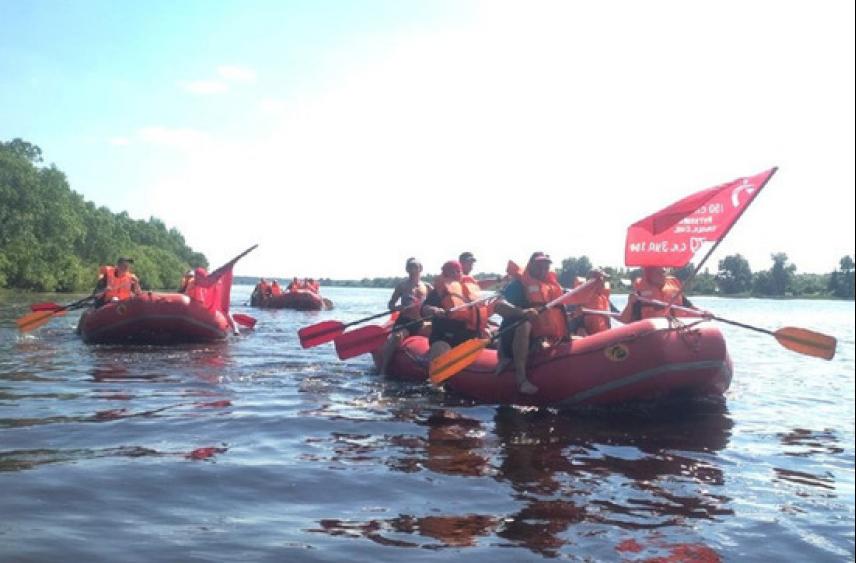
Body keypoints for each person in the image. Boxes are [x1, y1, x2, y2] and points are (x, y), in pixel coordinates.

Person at [493, 252, 568, 395]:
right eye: (539, 264)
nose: (543, 268)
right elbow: (498, 306)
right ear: (531, 265)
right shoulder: (518, 284)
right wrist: (523, 312)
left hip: (540, 339)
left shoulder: (552, 286)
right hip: (512, 337)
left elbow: (576, 300)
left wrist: (595, 282)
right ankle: (521, 379)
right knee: (525, 323)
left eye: (546, 265)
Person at [421, 260, 490, 364]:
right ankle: (435, 377)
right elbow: (424, 308)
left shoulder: (468, 289)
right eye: (452, 272)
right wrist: (433, 310)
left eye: (458, 271)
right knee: (441, 347)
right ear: (445, 274)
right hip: (445, 338)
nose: (456, 274)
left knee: (491, 335)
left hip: (469, 337)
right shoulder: (439, 292)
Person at [379, 258, 432, 376]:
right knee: (397, 337)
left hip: (420, 322)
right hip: (405, 322)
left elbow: (437, 302)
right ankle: (383, 369)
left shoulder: (427, 287)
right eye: (410, 267)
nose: (413, 269)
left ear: (420, 269)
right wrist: (397, 308)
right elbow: (391, 304)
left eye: (415, 267)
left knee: (438, 332)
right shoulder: (402, 286)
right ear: (407, 269)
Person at [618, 266, 694, 324]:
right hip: (651, 335)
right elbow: (624, 320)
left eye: (664, 272)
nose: (663, 274)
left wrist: (704, 314)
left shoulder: (673, 287)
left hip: (675, 332)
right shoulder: (639, 294)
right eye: (659, 272)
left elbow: (691, 309)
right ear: (649, 274)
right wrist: (630, 304)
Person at [568, 270, 615, 336]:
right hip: (589, 337)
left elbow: (620, 315)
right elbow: (573, 318)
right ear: (593, 282)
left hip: (604, 337)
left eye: (604, 280)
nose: (604, 283)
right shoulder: (581, 299)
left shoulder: (604, 299)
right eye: (601, 280)